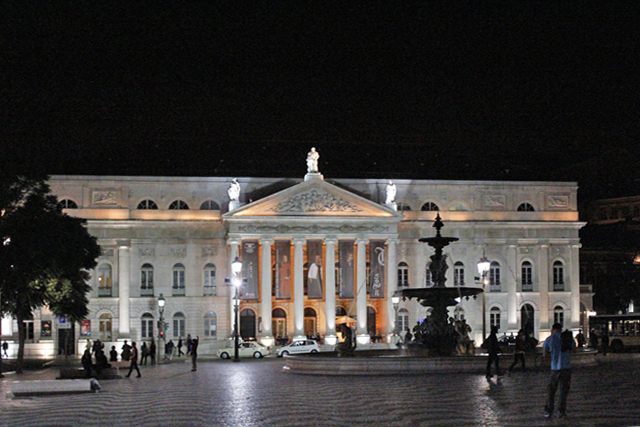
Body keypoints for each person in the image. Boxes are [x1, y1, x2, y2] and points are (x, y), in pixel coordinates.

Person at [543, 324, 576, 418]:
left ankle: (549, 410)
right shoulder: (567, 338)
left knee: (551, 390)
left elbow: (545, 354)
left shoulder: (549, 339)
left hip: (555, 368)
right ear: (561, 329)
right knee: (564, 390)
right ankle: (561, 411)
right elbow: (574, 349)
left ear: (553, 329)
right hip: (566, 367)